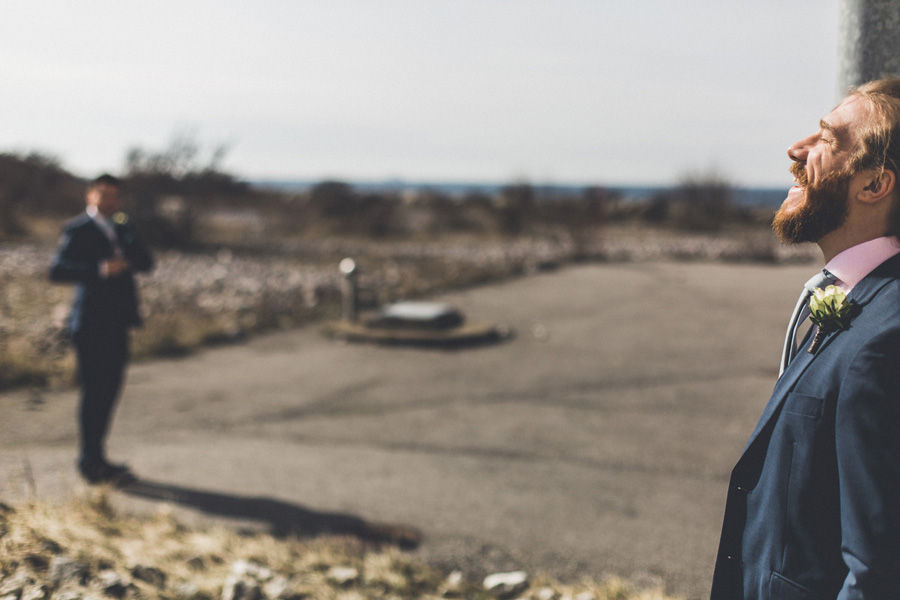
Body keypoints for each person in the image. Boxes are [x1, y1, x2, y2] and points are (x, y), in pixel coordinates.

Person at [711, 78, 900, 598]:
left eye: (827, 138)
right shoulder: (858, 300)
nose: (796, 150)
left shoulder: (887, 339)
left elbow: (878, 573)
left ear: (874, 184)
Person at [50, 174, 154, 484]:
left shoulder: (124, 228)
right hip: (90, 323)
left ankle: (98, 457)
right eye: (105, 195)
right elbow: (57, 270)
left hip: (118, 323)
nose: (110, 201)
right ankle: (89, 461)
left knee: (110, 392)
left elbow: (147, 264)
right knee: (94, 393)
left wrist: (130, 245)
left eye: (115, 196)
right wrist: (100, 268)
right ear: (91, 196)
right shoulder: (77, 229)